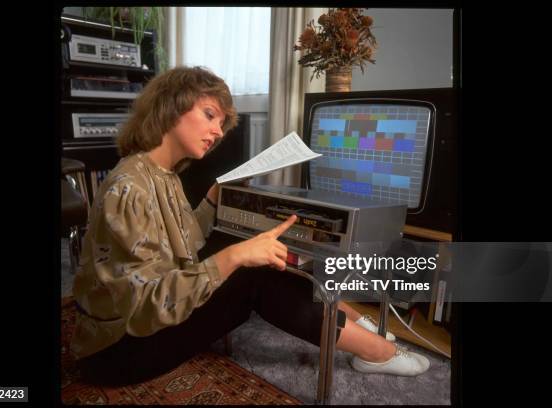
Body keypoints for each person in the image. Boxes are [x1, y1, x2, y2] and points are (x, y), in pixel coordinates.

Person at [70, 66, 430, 385]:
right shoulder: (130, 187)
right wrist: (236, 256)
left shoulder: (162, 174)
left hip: (138, 329)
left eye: (222, 124)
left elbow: (186, 242)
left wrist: (213, 198)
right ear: (170, 104)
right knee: (256, 275)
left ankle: (352, 323)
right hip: (117, 351)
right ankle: (376, 351)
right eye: (210, 115)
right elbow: (147, 307)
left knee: (257, 258)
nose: (217, 132)